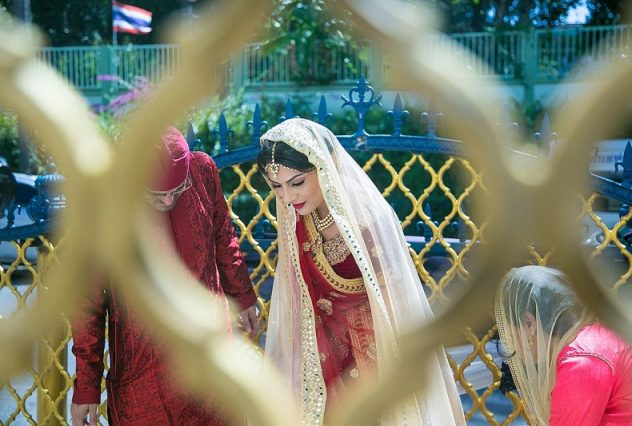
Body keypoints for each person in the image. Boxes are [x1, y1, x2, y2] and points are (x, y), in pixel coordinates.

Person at [256, 118, 465, 424]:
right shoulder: (297, 218)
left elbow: (398, 303)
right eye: (277, 187)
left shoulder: (367, 220)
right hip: (320, 358)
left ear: (325, 166)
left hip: (372, 354)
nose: (287, 197)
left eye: (297, 182)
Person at [70, 127, 259, 426]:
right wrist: (86, 387)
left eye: (178, 190)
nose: (169, 201)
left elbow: (223, 237)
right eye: (157, 196)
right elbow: (87, 303)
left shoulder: (202, 171)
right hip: (144, 374)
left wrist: (243, 295)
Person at [494, 265, 632, 425]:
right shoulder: (596, 335)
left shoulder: (582, 362)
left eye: (507, 333)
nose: (508, 344)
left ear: (529, 324)